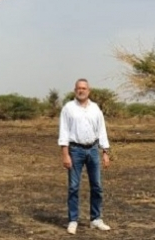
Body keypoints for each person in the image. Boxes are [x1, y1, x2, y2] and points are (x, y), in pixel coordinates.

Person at [58, 78, 111, 234]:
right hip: (75, 150)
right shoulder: (68, 108)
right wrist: (65, 154)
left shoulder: (95, 108)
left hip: (93, 149)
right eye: (78, 88)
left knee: (97, 186)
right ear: (75, 90)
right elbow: (64, 132)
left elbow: (102, 131)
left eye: (84, 88)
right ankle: (73, 220)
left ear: (89, 90)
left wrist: (105, 152)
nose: (81, 90)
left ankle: (96, 219)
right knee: (74, 187)